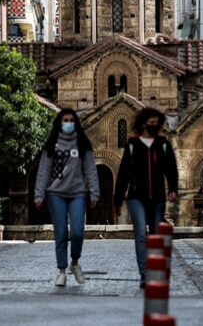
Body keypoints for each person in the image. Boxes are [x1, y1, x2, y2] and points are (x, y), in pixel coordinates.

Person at [34, 108, 100, 287]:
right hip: (55, 194)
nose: (68, 123)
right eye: (65, 120)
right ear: (59, 123)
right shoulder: (52, 144)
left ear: (76, 123)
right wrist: (39, 195)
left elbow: (90, 169)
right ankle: (61, 271)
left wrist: (94, 192)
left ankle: (75, 263)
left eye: (71, 120)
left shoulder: (82, 144)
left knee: (78, 232)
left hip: (78, 193)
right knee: (61, 233)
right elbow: (44, 171)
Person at [114, 107, 178, 288]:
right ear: (143, 123)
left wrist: (173, 188)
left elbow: (171, 168)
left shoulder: (163, 144)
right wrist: (118, 200)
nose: (154, 125)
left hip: (158, 197)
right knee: (141, 234)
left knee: (155, 235)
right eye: (151, 122)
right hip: (136, 197)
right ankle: (144, 273)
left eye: (157, 122)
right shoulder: (133, 145)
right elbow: (123, 173)